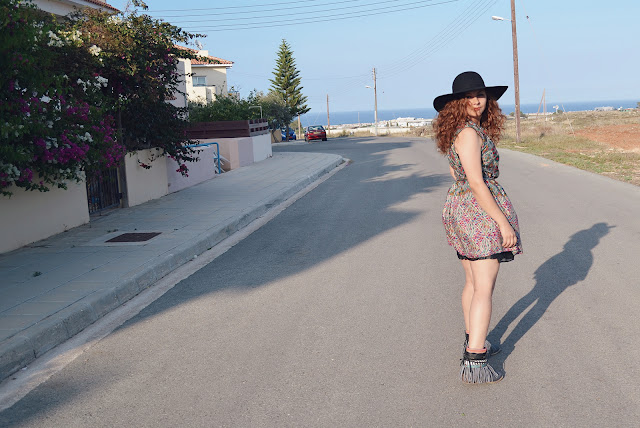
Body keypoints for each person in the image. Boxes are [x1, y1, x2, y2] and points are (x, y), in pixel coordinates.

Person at [432, 71, 523, 384]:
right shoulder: (470, 134)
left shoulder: (459, 131)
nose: (476, 101)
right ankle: (475, 359)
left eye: (481, 95)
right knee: (483, 286)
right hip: (478, 212)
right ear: (458, 102)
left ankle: (474, 338)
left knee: (472, 281)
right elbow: (476, 182)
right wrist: (503, 223)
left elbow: (457, 175)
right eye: (469, 96)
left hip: (462, 208)